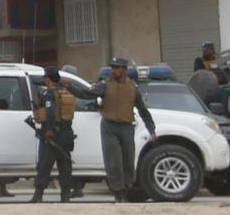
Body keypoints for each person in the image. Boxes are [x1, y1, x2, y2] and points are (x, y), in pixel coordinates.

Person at [74, 57, 157, 201]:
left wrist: (151, 129)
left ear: (124, 69)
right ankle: (118, 193)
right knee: (114, 161)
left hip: (126, 127)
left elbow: (143, 110)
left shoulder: (132, 88)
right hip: (109, 126)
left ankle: (126, 189)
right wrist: (69, 86)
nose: (114, 70)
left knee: (128, 161)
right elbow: (86, 94)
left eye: (117, 67)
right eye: (113, 67)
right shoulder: (105, 85)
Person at [30, 66, 76, 203]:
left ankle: (38, 195)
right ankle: (65, 196)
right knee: (65, 165)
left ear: (48, 79)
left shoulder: (49, 93)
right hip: (67, 133)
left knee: (44, 165)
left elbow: (50, 111)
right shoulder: (65, 91)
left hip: (53, 133)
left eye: (45, 77)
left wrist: (49, 130)